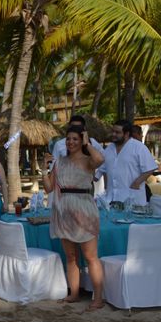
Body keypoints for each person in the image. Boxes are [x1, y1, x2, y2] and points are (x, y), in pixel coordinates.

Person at [42, 126, 105, 310]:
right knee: (71, 257)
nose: (71, 142)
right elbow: (48, 188)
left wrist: (87, 143)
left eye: (75, 139)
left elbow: (100, 159)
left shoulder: (89, 161)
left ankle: (98, 298)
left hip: (84, 209)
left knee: (90, 256)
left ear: (82, 140)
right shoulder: (60, 161)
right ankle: (74, 294)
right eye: (68, 139)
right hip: (64, 211)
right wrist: (44, 169)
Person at [98, 120, 158, 206]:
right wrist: (106, 187)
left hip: (133, 200)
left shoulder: (139, 148)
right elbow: (104, 169)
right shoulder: (108, 149)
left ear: (126, 134)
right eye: (113, 131)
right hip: (111, 200)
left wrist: (137, 182)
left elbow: (150, 168)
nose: (113, 134)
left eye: (117, 132)